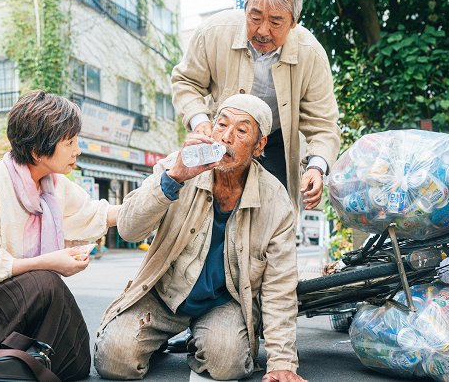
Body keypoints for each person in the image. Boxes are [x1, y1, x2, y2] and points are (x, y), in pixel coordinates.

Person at [94, 95, 306, 382]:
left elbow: (279, 287)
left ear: (259, 146)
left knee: (225, 363)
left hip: (223, 302)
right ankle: (163, 340)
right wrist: (174, 178)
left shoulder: (275, 201)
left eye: (242, 131)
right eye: (221, 124)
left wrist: (282, 363)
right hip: (163, 294)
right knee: (114, 361)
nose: (227, 137)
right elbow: (129, 230)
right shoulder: (178, 166)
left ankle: (204, 340)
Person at [0, 91, 120, 381]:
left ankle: (14, 366)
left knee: (75, 364)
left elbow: (94, 215)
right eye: (70, 143)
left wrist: (162, 194)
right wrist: (51, 262)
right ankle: (5, 365)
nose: (78, 150)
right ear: (38, 152)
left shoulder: (53, 185)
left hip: (25, 290)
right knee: (47, 282)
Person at [172, 0, 340, 213]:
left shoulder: (311, 53)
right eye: (255, 17)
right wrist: (200, 121)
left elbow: (323, 123)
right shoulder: (213, 31)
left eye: (275, 22)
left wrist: (317, 166)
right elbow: (186, 81)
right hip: (220, 137)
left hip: (274, 141)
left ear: (294, 21)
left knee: (273, 213)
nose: (262, 30)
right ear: (245, 9)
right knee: (206, 208)